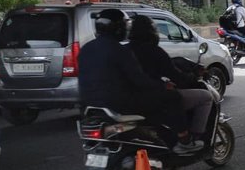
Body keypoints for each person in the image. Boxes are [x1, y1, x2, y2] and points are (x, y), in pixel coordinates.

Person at [77, 9, 200, 153]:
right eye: (124, 26)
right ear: (118, 28)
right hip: (120, 103)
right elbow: (139, 79)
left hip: (89, 106)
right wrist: (163, 86)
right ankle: (184, 140)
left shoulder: (86, 49)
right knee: (173, 97)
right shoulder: (119, 50)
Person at [127, 15, 213, 146]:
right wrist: (193, 76)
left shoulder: (124, 51)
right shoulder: (154, 51)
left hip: (130, 100)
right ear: (151, 31)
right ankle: (191, 138)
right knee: (206, 97)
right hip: (152, 99)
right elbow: (176, 76)